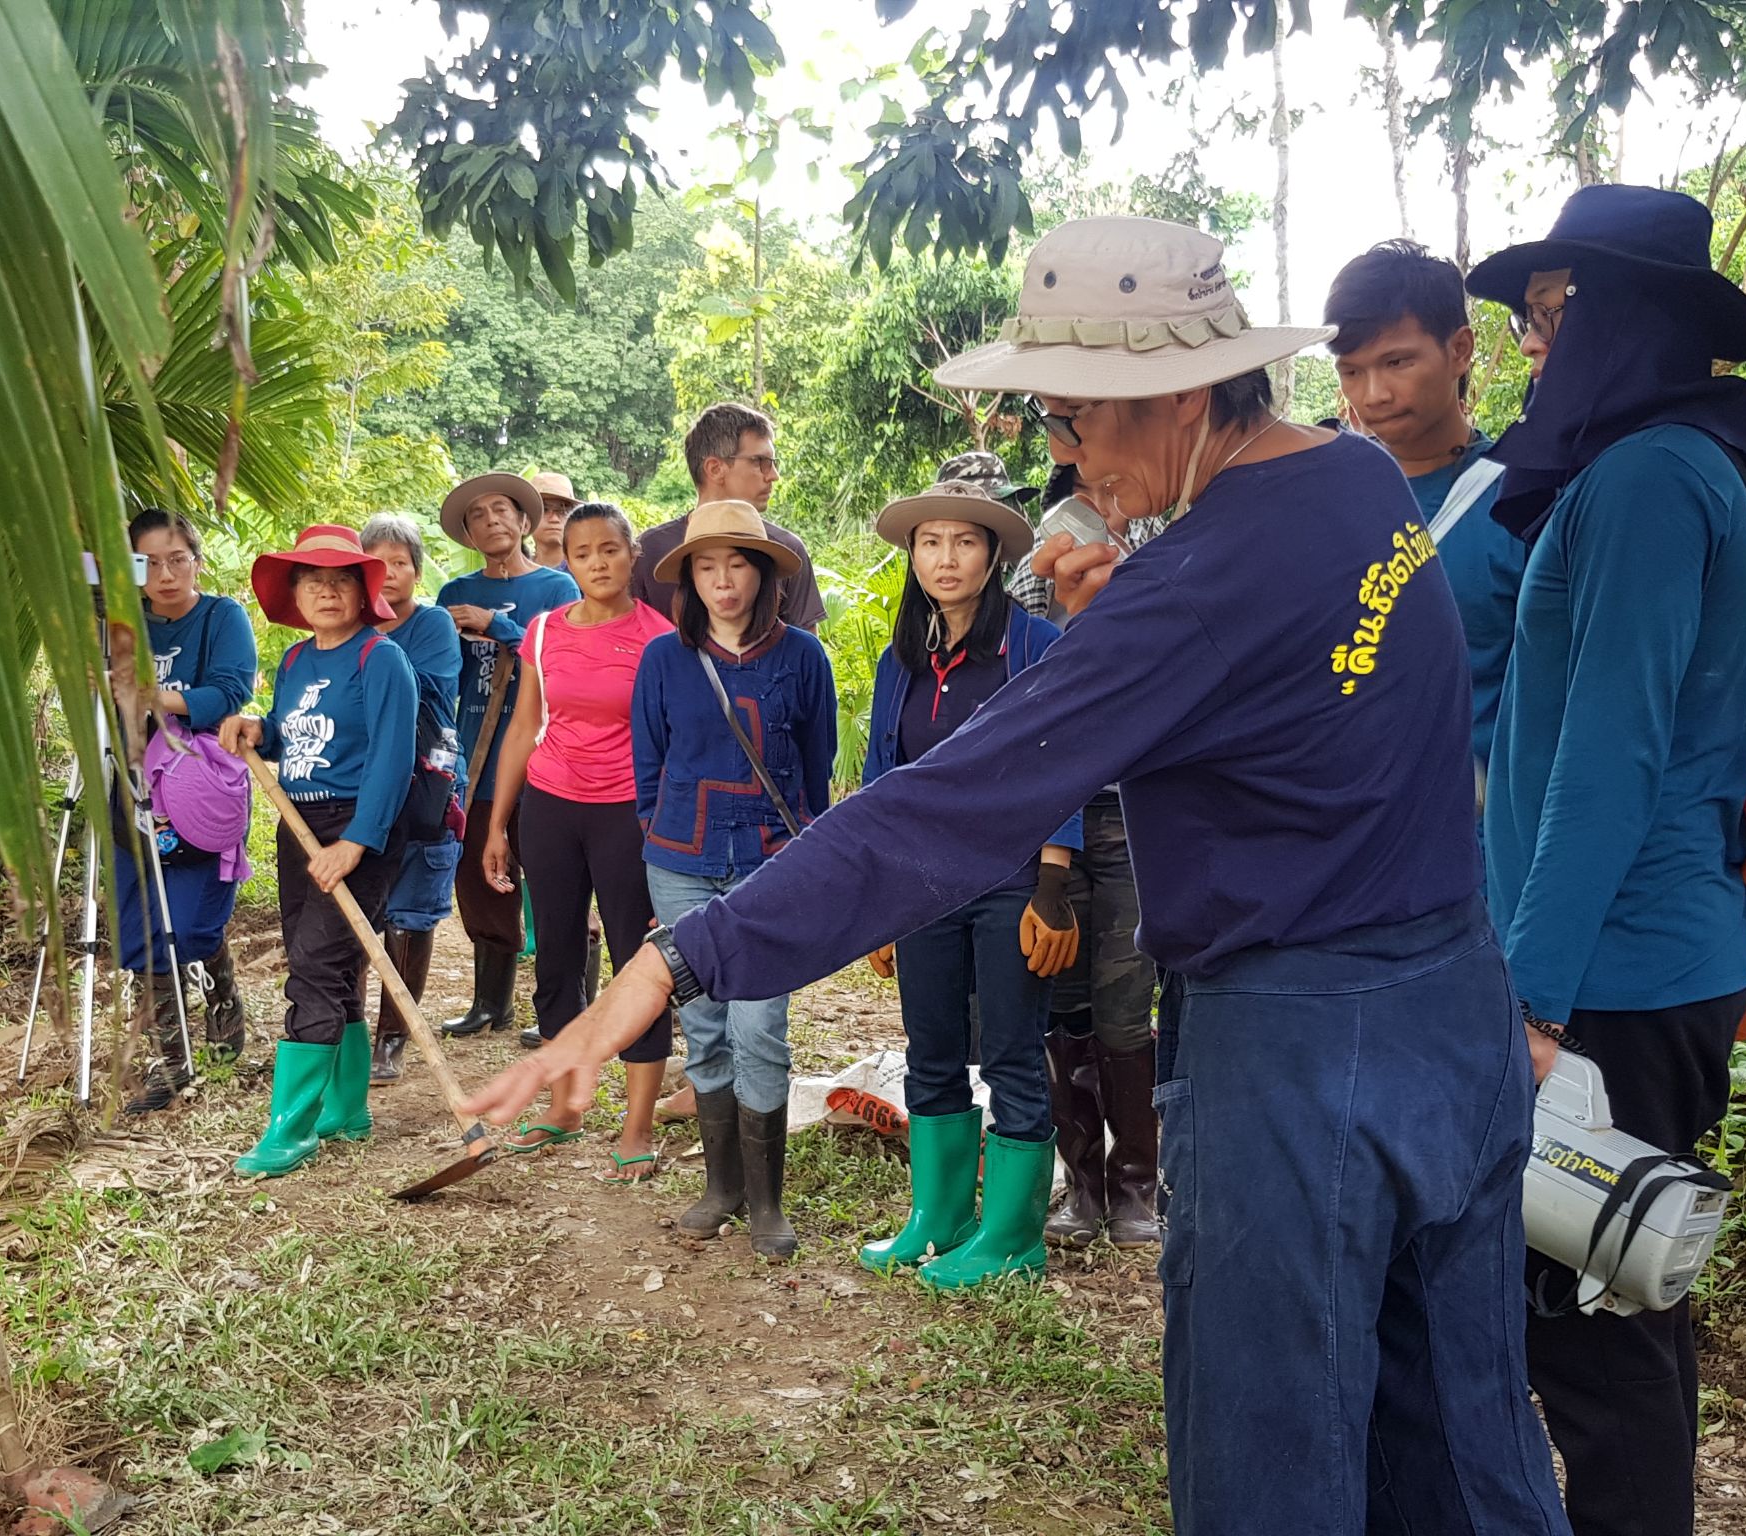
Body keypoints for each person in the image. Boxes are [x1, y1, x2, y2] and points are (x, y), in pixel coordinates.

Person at [464, 216, 1570, 1536]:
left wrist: (663, 961)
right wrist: (1121, 623)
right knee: (1461, 1439)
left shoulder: (1195, 587)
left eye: (1069, 421)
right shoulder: (1354, 484)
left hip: (1298, 1057)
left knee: (1269, 1457)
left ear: (1167, 392)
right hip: (1450, 1016)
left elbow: (934, 813)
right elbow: (1289, 709)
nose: (1061, 456)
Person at [1469, 184, 1746, 1536]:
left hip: (1612, 979)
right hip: (1625, 962)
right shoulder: (1647, 466)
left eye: (1550, 315)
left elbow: (1609, 759)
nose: (1531, 345)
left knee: (1588, 1338)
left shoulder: (1653, 479)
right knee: (1625, 1300)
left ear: (1625, 319)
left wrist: (1529, 999)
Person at [854, 481, 1080, 1289]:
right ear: (913, 558)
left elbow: (1065, 760)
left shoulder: (1033, 645)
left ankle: (1013, 1237)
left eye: (964, 542)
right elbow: (885, 782)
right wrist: (878, 894)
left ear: (993, 556)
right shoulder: (901, 662)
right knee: (934, 1049)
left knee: (1015, 1052)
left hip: (1010, 877)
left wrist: (1053, 884)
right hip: (921, 883)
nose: (946, 559)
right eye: (929, 543)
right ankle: (938, 1219)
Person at [628, 500, 837, 1259]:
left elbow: (816, 776)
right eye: (706, 567)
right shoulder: (663, 659)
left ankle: (768, 1204)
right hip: (680, 864)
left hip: (769, 865)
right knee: (706, 1026)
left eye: (738, 564)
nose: (723, 581)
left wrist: (800, 852)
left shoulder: (805, 658)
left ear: (765, 573)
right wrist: (659, 832)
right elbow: (647, 767)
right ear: (687, 578)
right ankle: (722, 1188)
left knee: (762, 1026)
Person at [995, 451, 1168, 1251]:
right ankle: (1083, 1183)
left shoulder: (1164, 559)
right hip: (1054, 819)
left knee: (1126, 1003)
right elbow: (1026, 705)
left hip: (1137, 817)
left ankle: (1138, 1181)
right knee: (1061, 999)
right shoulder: (1029, 583)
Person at [477, 502, 680, 1178]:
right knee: (556, 957)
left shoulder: (660, 638)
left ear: (632, 556)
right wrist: (500, 821)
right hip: (551, 808)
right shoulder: (541, 631)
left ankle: (637, 1123)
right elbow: (522, 726)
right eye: (581, 551)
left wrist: (668, 835)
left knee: (636, 964)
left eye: (609, 550)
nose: (596, 563)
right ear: (566, 559)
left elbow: (674, 746)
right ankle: (565, 1109)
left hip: (628, 815)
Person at [218, 526, 419, 1178]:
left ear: (364, 592)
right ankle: (346, 1109)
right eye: (313, 580)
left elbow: (393, 755)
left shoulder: (380, 659)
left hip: (358, 823)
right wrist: (259, 731)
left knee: (312, 963)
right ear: (295, 593)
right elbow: (295, 739)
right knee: (332, 967)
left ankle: (291, 1129)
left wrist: (358, 842)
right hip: (297, 822)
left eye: (341, 580)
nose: (327, 590)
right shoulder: (298, 661)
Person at [1325, 239, 1524, 774]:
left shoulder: (1521, 503)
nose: (1373, 395)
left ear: (1460, 350)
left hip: (1481, 840)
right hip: (1353, 832)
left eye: (1397, 362)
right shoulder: (1320, 503)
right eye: (1351, 371)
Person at [432, 472, 581, 1038]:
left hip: (543, 757)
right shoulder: (453, 594)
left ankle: (566, 1006)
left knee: (552, 880)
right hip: (472, 759)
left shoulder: (557, 589)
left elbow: (563, 656)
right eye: (477, 515)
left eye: (502, 510)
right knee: (478, 877)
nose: (491, 519)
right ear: (468, 534)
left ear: (524, 521)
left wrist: (497, 625)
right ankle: (491, 1002)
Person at [122, 507, 259, 1108]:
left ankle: (222, 988)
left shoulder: (220, 616)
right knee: (140, 920)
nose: (166, 574)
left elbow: (229, 690)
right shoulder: (120, 624)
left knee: (193, 920)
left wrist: (150, 696)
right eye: (150, 563)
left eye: (178, 560)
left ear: (197, 562)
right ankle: (169, 1061)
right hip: (126, 781)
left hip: (197, 787)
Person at [361, 514, 462, 1086]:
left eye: (401, 562)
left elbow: (420, 690)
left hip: (426, 778)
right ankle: (348, 1031)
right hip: (361, 779)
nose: (390, 573)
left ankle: (392, 1039)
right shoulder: (345, 629)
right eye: (377, 562)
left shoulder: (432, 626)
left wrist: (366, 643)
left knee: (411, 911)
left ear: (417, 573)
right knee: (357, 912)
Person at [630, 404, 827, 631]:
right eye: (759, 462)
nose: (773, 475)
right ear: (715, 469)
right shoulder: (649, 551)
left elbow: (807, 658)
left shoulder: (786, 551)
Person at [527, 470, 579, 567]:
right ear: (527, 518)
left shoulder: (585, 571)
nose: (554, 519)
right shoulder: (515, 573)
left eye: (563, 510)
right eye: (545, 509)